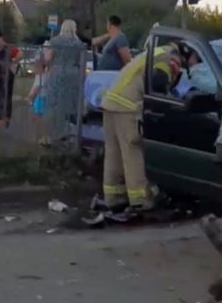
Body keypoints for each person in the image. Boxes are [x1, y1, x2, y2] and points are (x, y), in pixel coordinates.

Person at [100, 43, 183, 212]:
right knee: (133, 152)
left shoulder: (153, 52)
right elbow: (159, 79)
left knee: (113, 153)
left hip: (110, 103)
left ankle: (114, 197)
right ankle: (141, 199)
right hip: (128, 107)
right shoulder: (168, 58)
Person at [44, 19, 84, 142]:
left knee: (55, 104)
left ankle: (54, 133)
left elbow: (48, 58)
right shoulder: (78, 44)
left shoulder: (55, 41)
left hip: (57, 73)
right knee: (69, 104)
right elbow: (81, 62)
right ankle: (69, 132)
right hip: (73, 75)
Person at [27, 59, 49, 146]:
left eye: (35, 66)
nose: (33, 68)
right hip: (37, 99)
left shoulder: (42, 76)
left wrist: (30, 97)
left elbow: (37, 88)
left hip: (40, 98)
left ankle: (41, 137)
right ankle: (38, 137)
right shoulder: (38, 76)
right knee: (35, 119)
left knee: (38, 119)